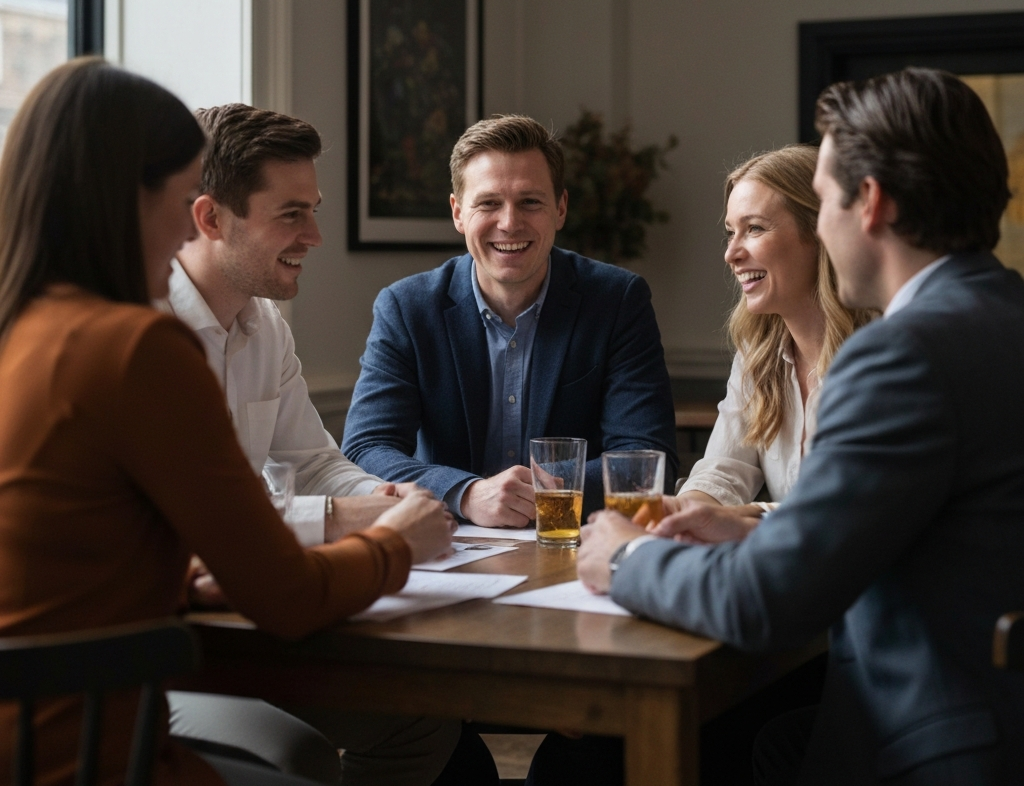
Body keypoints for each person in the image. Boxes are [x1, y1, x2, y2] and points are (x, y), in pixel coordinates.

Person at [0, 58, 456, 786]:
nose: (186, 227)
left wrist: (179, 581)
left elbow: (70, 547)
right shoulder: (138, 345)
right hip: (81, 748)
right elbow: (287, 599)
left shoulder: (27, 330)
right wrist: (392, 543)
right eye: (181, 198)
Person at [579, 68, 1024, 785]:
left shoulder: (901, 355)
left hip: (936, 742)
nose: (821, 225)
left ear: (869, 203)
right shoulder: (1004, 313)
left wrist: (627, 558)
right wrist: (756, 529)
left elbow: (766, 602)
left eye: (821, 203)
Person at [159, 103, 466, 784]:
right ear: (210, 218)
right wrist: (341, 520)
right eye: (291, 214)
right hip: (153, 648)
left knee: (422, 720)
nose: (317, 235)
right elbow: (187, 525)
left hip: (240, 621)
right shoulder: (142, 335)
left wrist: (385, 497)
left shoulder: (265, 325)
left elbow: (311, 461)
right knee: (293, 753)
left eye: (315, 209)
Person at [342, 113, 677, 528]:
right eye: (488, 203)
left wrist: (540, 496)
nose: (509, 222)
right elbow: (367, 447)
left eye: (530, 202)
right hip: (450, 544)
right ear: (458, 213)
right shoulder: (407, 308)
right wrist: (466, 493)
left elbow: (644, 452)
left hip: (573, 540)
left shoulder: (617, 301)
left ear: (560, 208)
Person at [674, 145, 872, 512]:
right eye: (730, 232)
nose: (731, 253)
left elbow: (846, 511)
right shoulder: (758, 352)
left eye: (754, 229)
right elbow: (722, 472)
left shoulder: (879, 351)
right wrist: (681, 514)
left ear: (819, 233)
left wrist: (744, 517)